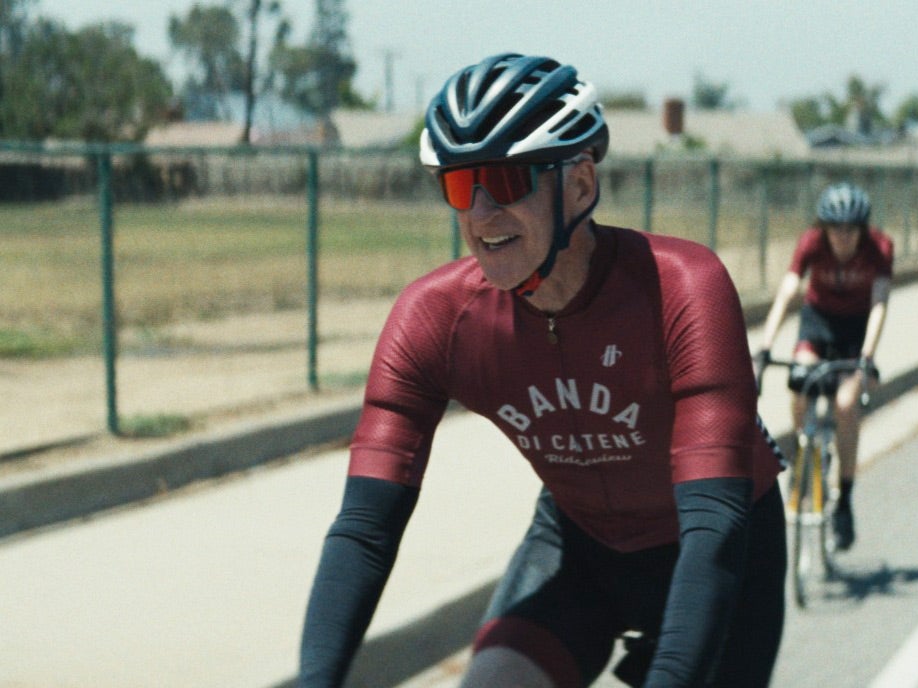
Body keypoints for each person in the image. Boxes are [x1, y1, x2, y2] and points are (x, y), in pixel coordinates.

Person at [298, 53, 787, 688]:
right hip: (578, 543)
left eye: (505, 181)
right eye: (458, 186)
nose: (479, 215)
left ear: (580, 185)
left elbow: (714, 527)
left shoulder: (683, 288)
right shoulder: (435, 317)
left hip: (717, 546)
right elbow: (365, 529)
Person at [757, 181, 893, 551]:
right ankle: (802, 461)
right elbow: (788, 291)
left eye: (851, 230)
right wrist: (765, 346)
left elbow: (880, 302)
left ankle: (845, 499)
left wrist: (867, 357)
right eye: (836, 229)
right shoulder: (811, 243)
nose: (843, 238)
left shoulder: (879, 248)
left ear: (862, 229)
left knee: (846, 405)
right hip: (817, 324)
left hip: (856, 330)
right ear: (824, 228)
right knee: (799, 381)